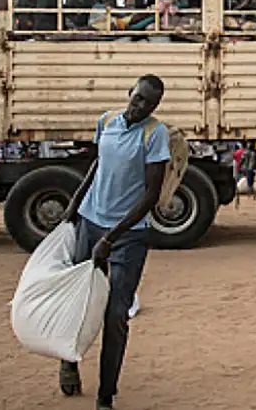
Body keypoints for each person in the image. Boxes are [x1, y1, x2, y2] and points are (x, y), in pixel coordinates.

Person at [59, 74, 169, 410]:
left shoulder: (155, 134)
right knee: (78, 301)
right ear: (129, 93)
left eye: (148, 104)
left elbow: (150, 195)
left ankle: (106, 395)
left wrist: (111, 237)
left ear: (155, 106)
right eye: (137, 99)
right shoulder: (107, 120)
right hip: (90, 221)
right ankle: (69, 363)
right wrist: (73, 206)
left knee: (115, 315)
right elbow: (98, 165)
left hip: (128, 236)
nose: (140, 107)